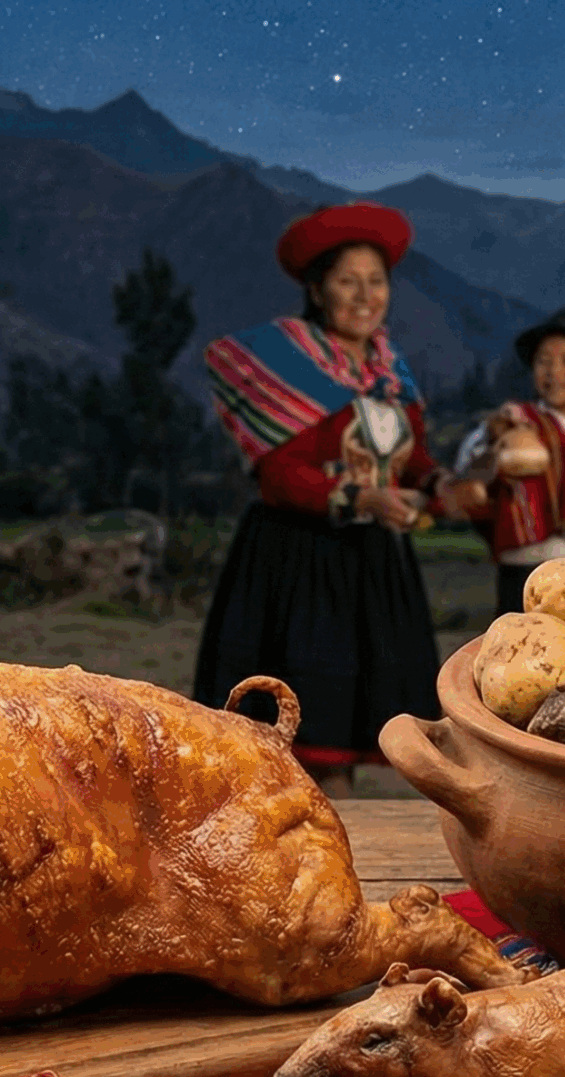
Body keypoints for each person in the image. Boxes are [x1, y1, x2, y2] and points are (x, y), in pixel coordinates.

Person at [195, 202, 451, 799]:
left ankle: (351, 850)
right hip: (302, 564)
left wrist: (441, 488)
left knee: (369, 719)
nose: (366, 296)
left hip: (375, 565)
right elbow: (280, 474)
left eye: (376, 281)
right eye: (347, 281)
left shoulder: (390, 371)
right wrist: (364, 496)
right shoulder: (287, 362)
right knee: (312, 728)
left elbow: (413, 461)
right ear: (316, 289)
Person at [450, 307, 565, 614]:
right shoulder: (513, 423)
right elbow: (468, 469)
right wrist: (494, 447)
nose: (554, 372)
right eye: (544, 362)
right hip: (524, 571)